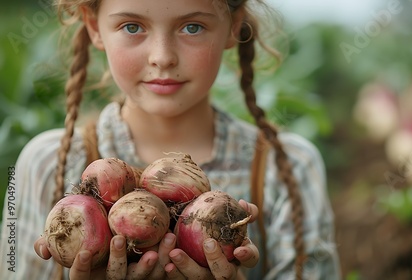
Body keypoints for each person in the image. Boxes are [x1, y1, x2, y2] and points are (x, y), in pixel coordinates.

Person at [0, 0, 341, 279]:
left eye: (192, 26)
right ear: (93, 27)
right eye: (132, 26)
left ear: (234, 26)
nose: (162, 57)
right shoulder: (41, 163)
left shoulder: (290, 168)